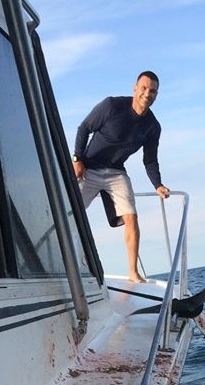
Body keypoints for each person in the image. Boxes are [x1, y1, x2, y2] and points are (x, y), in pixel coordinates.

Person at [73, 70, 170, 283]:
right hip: (89, 168)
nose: (147, 94)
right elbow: (84, 128)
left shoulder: (153, 127)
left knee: (131, 217)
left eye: (152, 91)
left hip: (116, 172)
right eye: (144, 88)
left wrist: (158, 184)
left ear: (157, 94)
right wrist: (77, 159)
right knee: (69, 213)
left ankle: (133, 272)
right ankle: (68, 263)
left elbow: (150, 160)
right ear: (135, 89)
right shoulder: (111, 106)